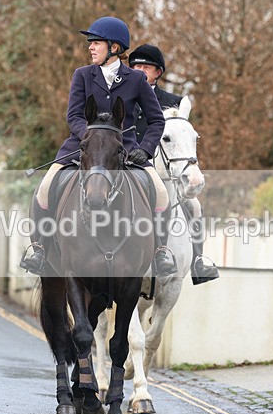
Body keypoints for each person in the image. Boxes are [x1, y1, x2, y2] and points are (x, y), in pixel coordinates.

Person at [20, 17, 177, 277]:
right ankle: (39, 247)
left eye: (96, 43)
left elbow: (156, 119)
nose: (90, 48)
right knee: (45, 190)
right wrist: (90, 139)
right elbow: (74, 116)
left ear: (114, 47)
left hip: (124, 150)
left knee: (161, 194)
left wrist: (146, 150)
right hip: (81, 148)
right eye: (90, 44)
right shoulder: (82, 75)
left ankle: (161, 251)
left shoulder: (136, 80)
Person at [129, 44, 219, 285]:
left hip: (163, 172)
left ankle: (198, 261)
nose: (139, 71)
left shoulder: (173, 102)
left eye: (145, 67)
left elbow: (182, 141)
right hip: (127, 167)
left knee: (194, 207)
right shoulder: (122, 97)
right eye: (135, 66)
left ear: (158, 72)